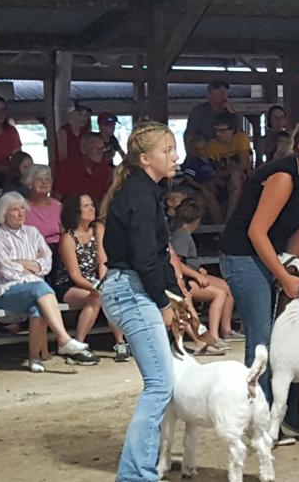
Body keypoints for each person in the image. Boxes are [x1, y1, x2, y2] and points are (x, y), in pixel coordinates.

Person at [219, 118, 299, 443]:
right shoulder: (283, 177)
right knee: (263, 338)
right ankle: (258, 420)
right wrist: (284, 275)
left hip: (272, 256)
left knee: (295, 338)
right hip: (243, 255)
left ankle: (296, 418)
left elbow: (297, 232)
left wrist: (295, 270)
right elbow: (256, 231)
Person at [99, 121, 184, 481]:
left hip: (129, 287)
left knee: (160, 383)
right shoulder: (139, 194)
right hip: (129, 288)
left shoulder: (144, 192)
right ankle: (136, 473)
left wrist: (174, 297)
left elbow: (157, 255)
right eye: (167, 151)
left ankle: (138, 470)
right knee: (160, 384)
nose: (175, 156)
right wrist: (164, 303)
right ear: (146, 158)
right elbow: (145, 256)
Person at [0, 191, 98, 371]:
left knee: (38, 308)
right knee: (40, 287)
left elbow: (46, 263)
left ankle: (34, 359)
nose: (20, 213)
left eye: (22, 208)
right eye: (14, 209)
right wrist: (31, 267)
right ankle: (63, 339)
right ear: (4, 213)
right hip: (4, 290)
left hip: (35, 289)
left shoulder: (33, 233)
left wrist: (24, 264)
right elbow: (4, 268)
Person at [55, 193, 130, 362]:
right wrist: (96, 287)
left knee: (110, 293)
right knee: (97, 297)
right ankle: (77, 346)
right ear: (76, 211)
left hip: (95, 280)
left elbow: (104, 260)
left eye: (92, 205)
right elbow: (74, 275)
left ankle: (120, 342)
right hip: (70, 285)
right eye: (86, 206)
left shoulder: (99, 229)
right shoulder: (68, 238)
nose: (92, 209)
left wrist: (104, 282)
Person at [170, 198, 241, 351]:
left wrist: (199, 270)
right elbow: (178, 263)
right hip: (188, 279)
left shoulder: (184, 234)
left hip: (194, 273)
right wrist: (196, 275)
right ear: (196, 221)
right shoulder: (181, 236)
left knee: (229, 287)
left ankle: (226, 330)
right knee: (220, 293)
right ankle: (213, 335)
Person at [206, 111, 252, 217]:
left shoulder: (241, 138)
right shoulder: (212, 145)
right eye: (216, 130)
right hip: (222, 180)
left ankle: (229, 218)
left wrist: (228, 172)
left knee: (235, 177)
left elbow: (244, 164)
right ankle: (218, 224)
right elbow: (213, 170)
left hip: (243, 178)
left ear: (232, 130)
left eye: (222, 130)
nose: (218, 134)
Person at [53, 132, 113, 203]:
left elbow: (108, 194)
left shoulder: (104, 167)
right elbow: (57, 198)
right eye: (96, 149)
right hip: (74, 211)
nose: (100, 152)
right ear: (83, 149)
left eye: (102, 149)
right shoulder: (67, 168)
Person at [23, 165, 62, 250]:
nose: (44, 183)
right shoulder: (22, 206)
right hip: (30, 250)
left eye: (47, 179)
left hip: (56, 251)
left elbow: (66, 234)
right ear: (29, 183)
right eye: (39, 179)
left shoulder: (58, 206)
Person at [184, 80, 233, 144]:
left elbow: (240, 134)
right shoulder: (199, 112)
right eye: (220, 92)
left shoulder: (231, 111)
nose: (224, 95)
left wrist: (232, 115)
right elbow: (189, 136)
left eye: (225, 92)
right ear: (210, 95)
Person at [53, 102, 91, 168]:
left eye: (86, 115)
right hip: (66, 170)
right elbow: (63, 158)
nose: (84, 118)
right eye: (79, 114)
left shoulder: (85, 132)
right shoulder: (63, 132)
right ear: (70, 115)